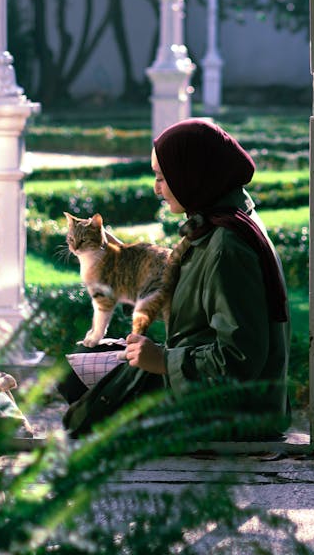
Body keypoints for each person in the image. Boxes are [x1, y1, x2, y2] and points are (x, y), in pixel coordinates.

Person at [63, 117, 290, 439]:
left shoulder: (227, 247)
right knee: (81, 364)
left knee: (77, 399)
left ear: (192, 175)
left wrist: (162, 361)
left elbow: (238, 361)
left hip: (228, 414)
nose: (157, 188)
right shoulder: (217, 226)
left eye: (162, 177)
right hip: (205, 395)